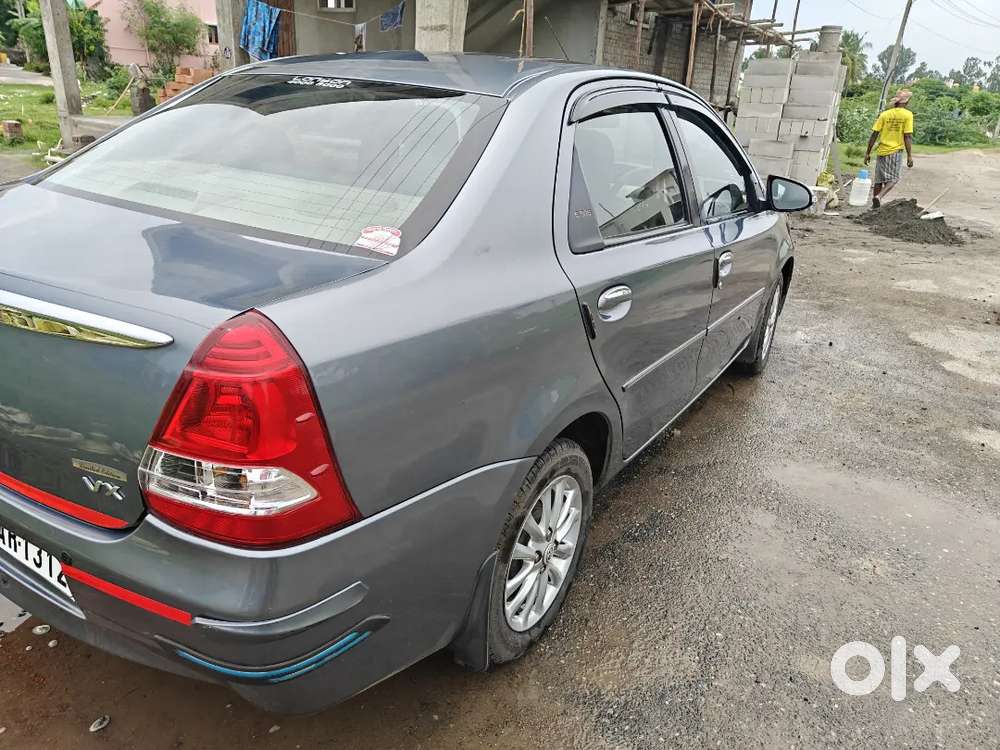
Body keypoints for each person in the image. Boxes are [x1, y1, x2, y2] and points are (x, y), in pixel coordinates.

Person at [864, 90, 915, 208]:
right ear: (906, 102)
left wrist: (867, 153)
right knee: (894, 178)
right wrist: (909, 156)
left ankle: (874, 208)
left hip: (881, 151)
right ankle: (879, 197)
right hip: (895, 151)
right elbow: (907, 136)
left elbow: (874, 134)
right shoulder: (908, 115)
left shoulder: (885, 114)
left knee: (879, 180)